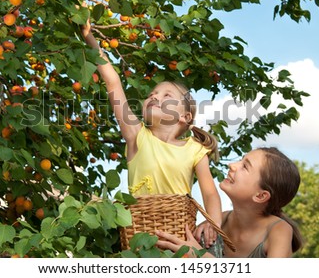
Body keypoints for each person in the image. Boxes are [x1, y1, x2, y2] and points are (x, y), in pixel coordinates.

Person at [81, 15, 222, 247]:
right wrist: (89, 37)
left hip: (179, 237)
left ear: (184, 117)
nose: (155, 96)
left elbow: (210, 194)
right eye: (152, 94)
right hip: (139, 236)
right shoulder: (137, 136)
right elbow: (113, 82)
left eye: (167, 96)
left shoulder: (195, 149)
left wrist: (213, 224)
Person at [155, 147, 303, 258]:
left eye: (245, 166)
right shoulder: (213, 224)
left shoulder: (279, 231)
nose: (232, 165)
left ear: (260, 196)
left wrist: (200, 256)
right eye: (241, 160)